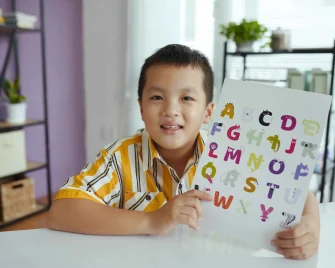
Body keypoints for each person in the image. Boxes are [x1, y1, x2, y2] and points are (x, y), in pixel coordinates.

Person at [47, 44, 320, 260]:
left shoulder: (230, 153)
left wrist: (312, 223)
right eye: (156, 97)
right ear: (141, 107)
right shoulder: (120, 157)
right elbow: (61, 211)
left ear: (208, 112)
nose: (170, 110)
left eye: (187, 98)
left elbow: (299, 193)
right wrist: (153, 221)